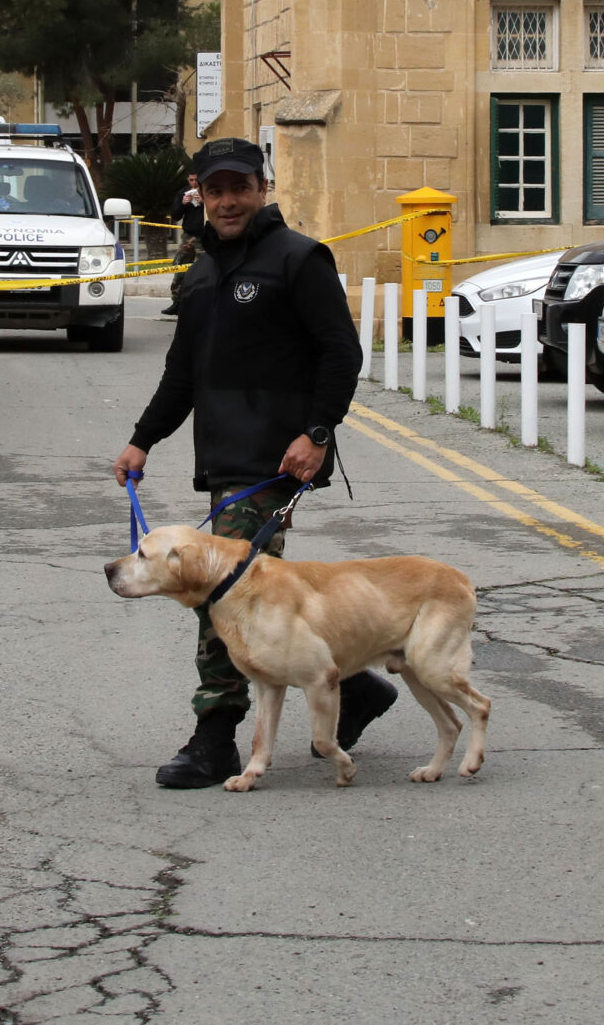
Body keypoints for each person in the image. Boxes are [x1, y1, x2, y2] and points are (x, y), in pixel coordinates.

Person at [110, 137, 395, 789]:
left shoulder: (299, 260)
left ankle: (215, 738)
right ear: (199, 194)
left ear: (263, 189)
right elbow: (183, 373)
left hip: (275, 462)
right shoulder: (204, 273)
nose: (229, 200)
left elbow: (339, 353)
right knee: (230, 596)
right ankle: (354, 690)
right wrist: (141, 440)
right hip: (220, 461)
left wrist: (317, 433)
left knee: (222, 594)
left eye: (241, 187)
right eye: (216, 189)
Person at [163, 174, 204, 316]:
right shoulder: (184, 193)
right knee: (180, 268)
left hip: (206, 235)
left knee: (204, 269)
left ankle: (203, 303)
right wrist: (182, 203)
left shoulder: (209, 190)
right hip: (188, 236)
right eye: (191, 180)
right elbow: (175, 215)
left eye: (196, 180)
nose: (194, 183)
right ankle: (177, 302)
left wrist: (204, 202)